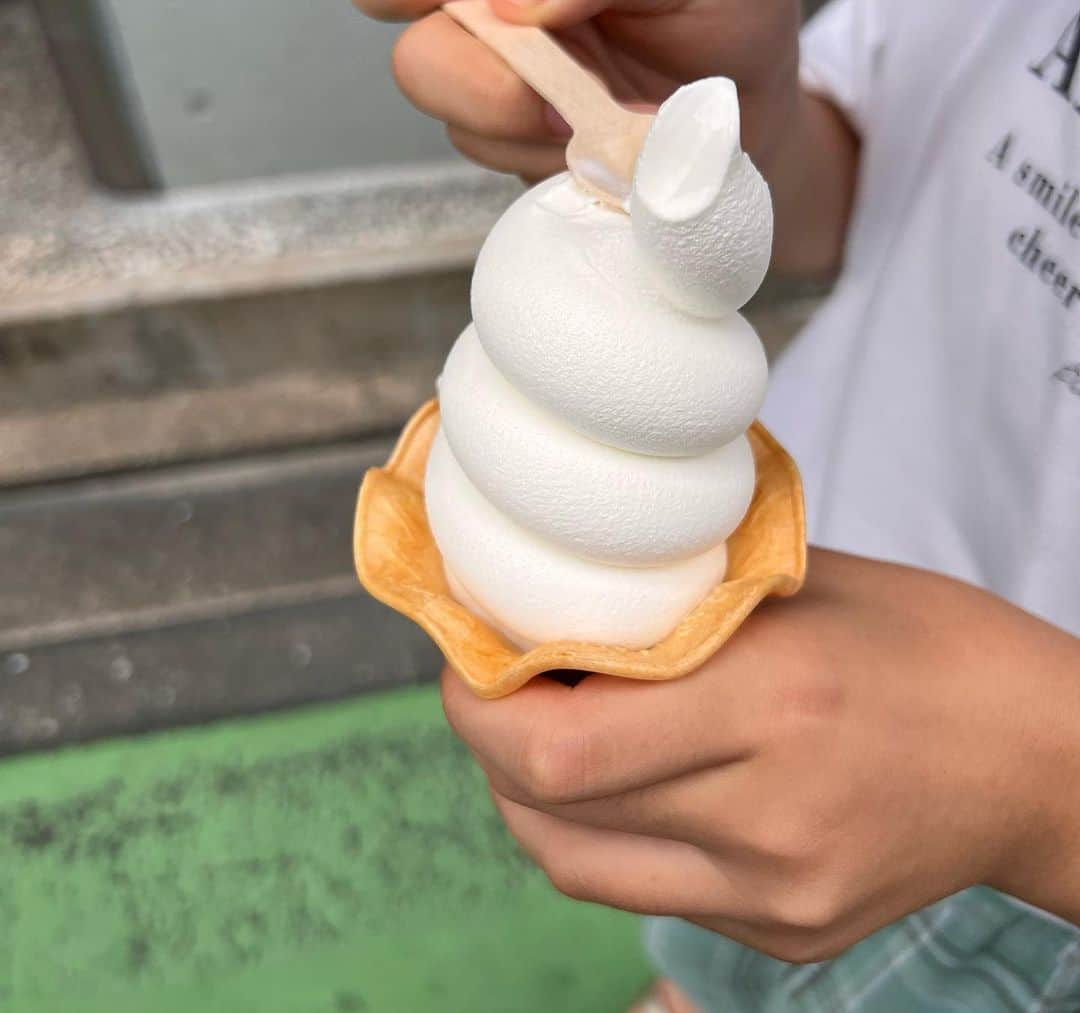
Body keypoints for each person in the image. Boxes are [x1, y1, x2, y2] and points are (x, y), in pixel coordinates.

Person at [351, 0, 1080, 1008]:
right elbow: (873, 174)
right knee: (708, 949)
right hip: (787, 651)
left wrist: (1048, 783)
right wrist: (761, 118)